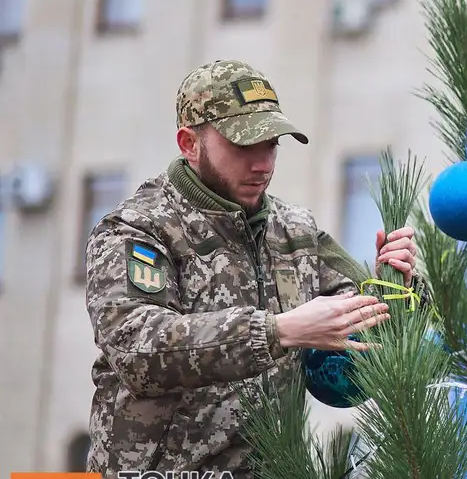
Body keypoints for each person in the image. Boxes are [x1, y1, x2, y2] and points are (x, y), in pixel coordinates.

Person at [83, 59, 430, 477]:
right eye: (243, 146)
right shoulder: (140, 229)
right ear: (189, 143)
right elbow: (137, 348)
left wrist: (399, 284)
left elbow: (369, 325)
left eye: (271, 144)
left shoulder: (295, 231)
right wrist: (278, 331)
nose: (262, 163)